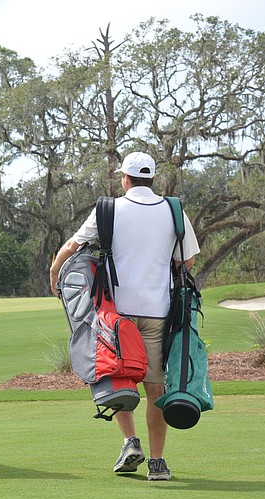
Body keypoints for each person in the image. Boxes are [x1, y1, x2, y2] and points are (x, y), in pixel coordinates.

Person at [48, 152, 200, 481]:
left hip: (116, 316)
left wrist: (54, 271)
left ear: (125, 179)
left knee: (114, 377)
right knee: (155, 388)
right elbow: (186, 262)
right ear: (152, 179)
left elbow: (72, 246)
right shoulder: (174, 210)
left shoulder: (109, 209)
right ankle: (157, 463)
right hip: (159, 313)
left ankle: (130, 442)